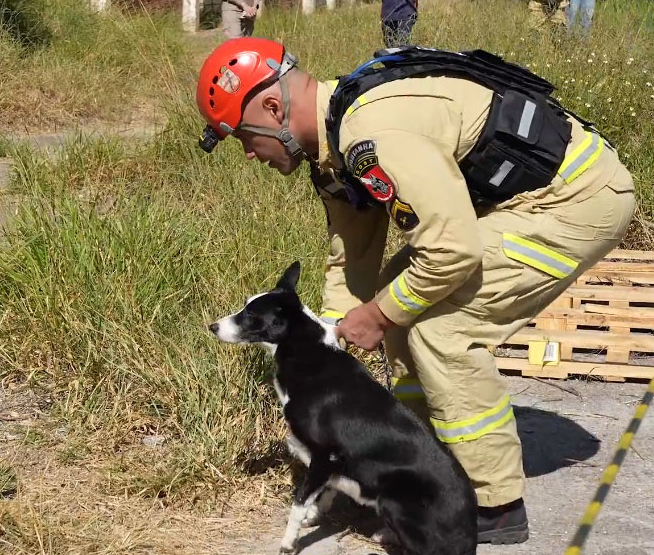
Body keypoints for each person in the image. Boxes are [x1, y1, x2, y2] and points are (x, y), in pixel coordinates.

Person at [195, 38, 635, 544]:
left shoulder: (372, 135)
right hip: (523, 203)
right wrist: (333, 340)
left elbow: (451, 252)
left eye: (244, 137)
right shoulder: (333, 152)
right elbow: (353, 260)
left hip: (576, 200)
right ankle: (409, 469)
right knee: (398, 296)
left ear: (273, 108)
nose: (250, 154)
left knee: (440, 328)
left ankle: (494, 502)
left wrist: (378, 317)